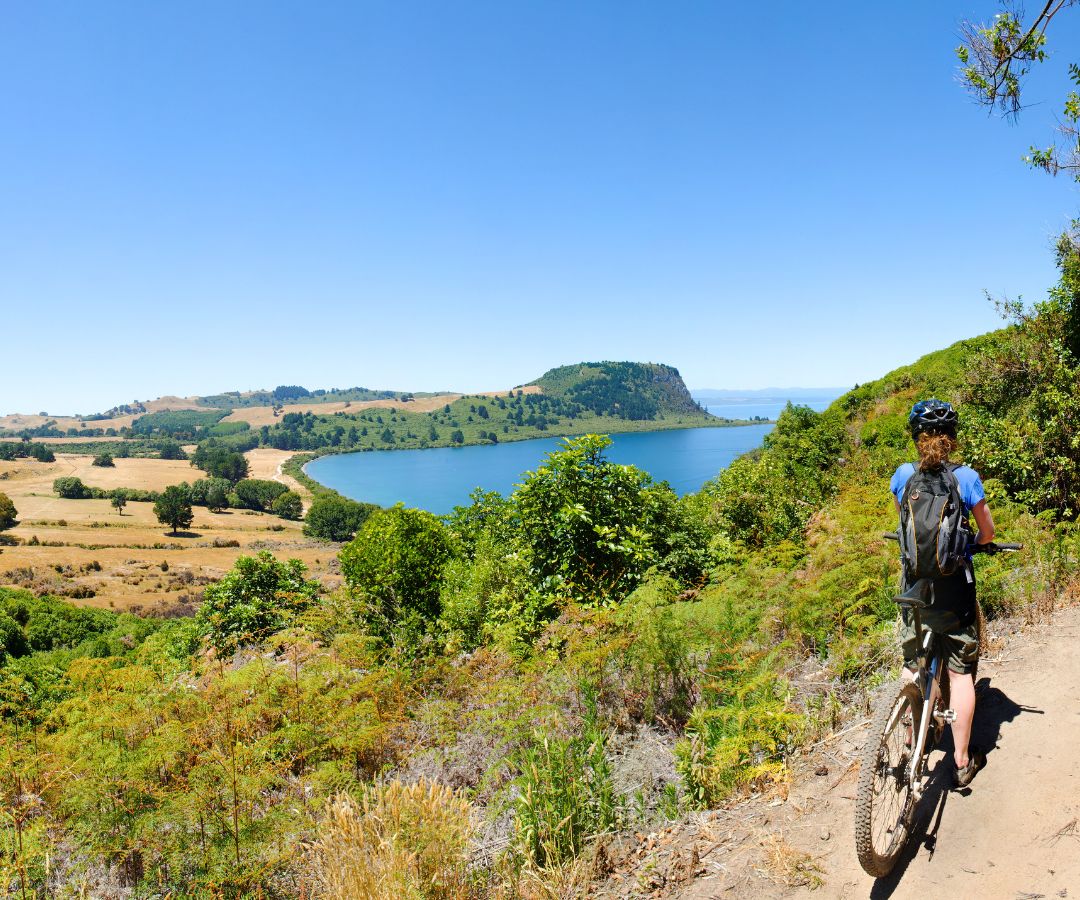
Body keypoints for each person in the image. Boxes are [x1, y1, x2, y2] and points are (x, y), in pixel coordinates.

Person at [890, 398, 995, 788]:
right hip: (954, 592)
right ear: (952, 438)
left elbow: (907, 526)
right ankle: (962, 761)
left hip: (915, 588)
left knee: (913, 662)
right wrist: (975, 543)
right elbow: (987, 532)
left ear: (917, 440)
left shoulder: (903, 475)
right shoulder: (965, 478)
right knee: (961, 674)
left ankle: (903, 740)